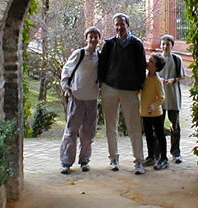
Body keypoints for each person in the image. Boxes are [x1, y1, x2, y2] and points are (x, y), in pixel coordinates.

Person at [98, 13, 147, 174]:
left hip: (130, 89)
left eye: (122, 24)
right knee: (111, 125)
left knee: (134, 126)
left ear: (128, 25)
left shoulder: (136, 44)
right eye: (117, 24)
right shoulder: (109, 44)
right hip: (110, 87)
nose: (119, 27)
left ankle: (139, 160)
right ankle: (113, 158)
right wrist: (101, 85)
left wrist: (139, 85)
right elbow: (102, 66)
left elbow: (141, 66)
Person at [59, 26, 101, 174]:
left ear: (99, 39)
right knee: (71, 131)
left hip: (92, 99)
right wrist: (66, 86)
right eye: (91, 37)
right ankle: (66, 162)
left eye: (96, 37)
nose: (93, 39)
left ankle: (84, 160)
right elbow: (67, 69)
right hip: (77, 97)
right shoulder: (79, 54)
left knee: (88, 133)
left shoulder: (100, 56)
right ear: (86, 38)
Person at [157, 34, 186, 163]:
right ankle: (158, 153)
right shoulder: (157, 59)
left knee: (175, 125)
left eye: (167, 44)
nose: (165, 46)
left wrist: (173, 80)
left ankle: (176, 153)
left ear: (172, 46)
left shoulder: (176, 59)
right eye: (163, 44)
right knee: (158, 126)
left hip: (173, 96)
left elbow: (182, 76)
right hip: (160, 96)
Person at [140, 53, 168, 170]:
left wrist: (154, 106)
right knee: (148, 135)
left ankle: (163, 158)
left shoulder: (157, 80)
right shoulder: (144, 78)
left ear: (156, 67)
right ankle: (151, 156)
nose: (148, 63)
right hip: (144, 112)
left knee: (160, 135)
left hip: (156, 114)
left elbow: (161, 97)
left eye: (151, 62)